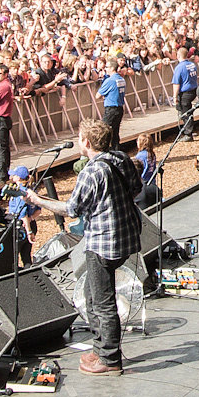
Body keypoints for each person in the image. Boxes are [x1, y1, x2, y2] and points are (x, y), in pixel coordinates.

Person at [29, 119, 142, 374]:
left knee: (101, 301)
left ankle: (110, 359)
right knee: (93, 295)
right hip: (126, 238)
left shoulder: (91, 171)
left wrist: (38, 200)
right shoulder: (121, 158)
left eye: (80, 138)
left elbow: (71, 210)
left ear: (87, 142)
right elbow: (136, 187)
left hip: (103, 243)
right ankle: (101, 348)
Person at [97, 57, 127, 139]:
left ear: (112, 68)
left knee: (104, 131)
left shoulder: (110, 80)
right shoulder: (121, 79)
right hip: (120, 108)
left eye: (106, 67)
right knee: (115, 133)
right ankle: (116, 149)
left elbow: (98, 95)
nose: (105, 69)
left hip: (111, 108)